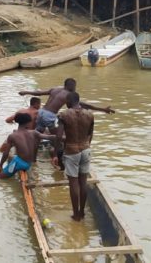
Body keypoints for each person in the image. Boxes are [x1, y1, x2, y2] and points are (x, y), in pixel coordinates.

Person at [18, 78, 114, 134]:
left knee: (38, 131)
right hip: (49, 115)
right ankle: (56, 152)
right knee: (58, 134)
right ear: (71, 86)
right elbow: (83, 104)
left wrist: (25, 92)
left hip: (41, 112)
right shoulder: (69, 94)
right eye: (75, 86)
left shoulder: (55, 89)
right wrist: (103, 109)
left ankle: (29, 139)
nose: (75, 88)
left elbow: (38, 93)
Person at [54, 92, 94, 221]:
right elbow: (90, 135)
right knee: (83, 182)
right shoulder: (89, 114)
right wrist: (86, 145)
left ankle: (76, 214)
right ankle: (82, 212)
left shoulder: (63, 115)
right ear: (79, 100)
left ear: (68, 102)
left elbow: (59, 137)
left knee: (74, 184)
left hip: (72, 151)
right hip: (86, 149)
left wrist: (57, 152)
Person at [0, 113, 56, 179]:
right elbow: (48, 137)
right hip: (28, 163)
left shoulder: (12, 136)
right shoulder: (34, 132)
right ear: (28, 123)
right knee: (14, 158)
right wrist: (61, 137)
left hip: (20, 163)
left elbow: (5, 153)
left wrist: (0, 165)